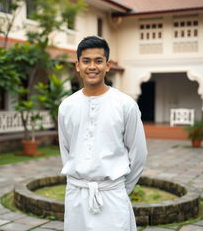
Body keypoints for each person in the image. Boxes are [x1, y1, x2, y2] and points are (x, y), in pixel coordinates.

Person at [58, 36, 147, 231]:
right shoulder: (66, 106)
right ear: (78, 66)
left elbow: (139, 155)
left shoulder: (125, 105)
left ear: (108, 66)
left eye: (98, 61)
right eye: (86, 61)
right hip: (77, 195)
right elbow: (66, 151)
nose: (92, 66)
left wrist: (120, 189)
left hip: (112, 196)